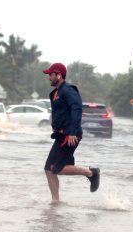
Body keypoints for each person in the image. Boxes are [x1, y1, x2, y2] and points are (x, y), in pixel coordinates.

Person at [43, 63, 100, 202]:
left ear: (59, 75)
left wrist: (73, 132)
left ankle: (91, 173)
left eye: (51, 74)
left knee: (56, 169)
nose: (49, 77)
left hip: (70, 135)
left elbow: (77, 109)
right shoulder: (55, 93)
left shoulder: (68, 90)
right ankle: (55, 201)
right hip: (61, 135)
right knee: (48, 170)